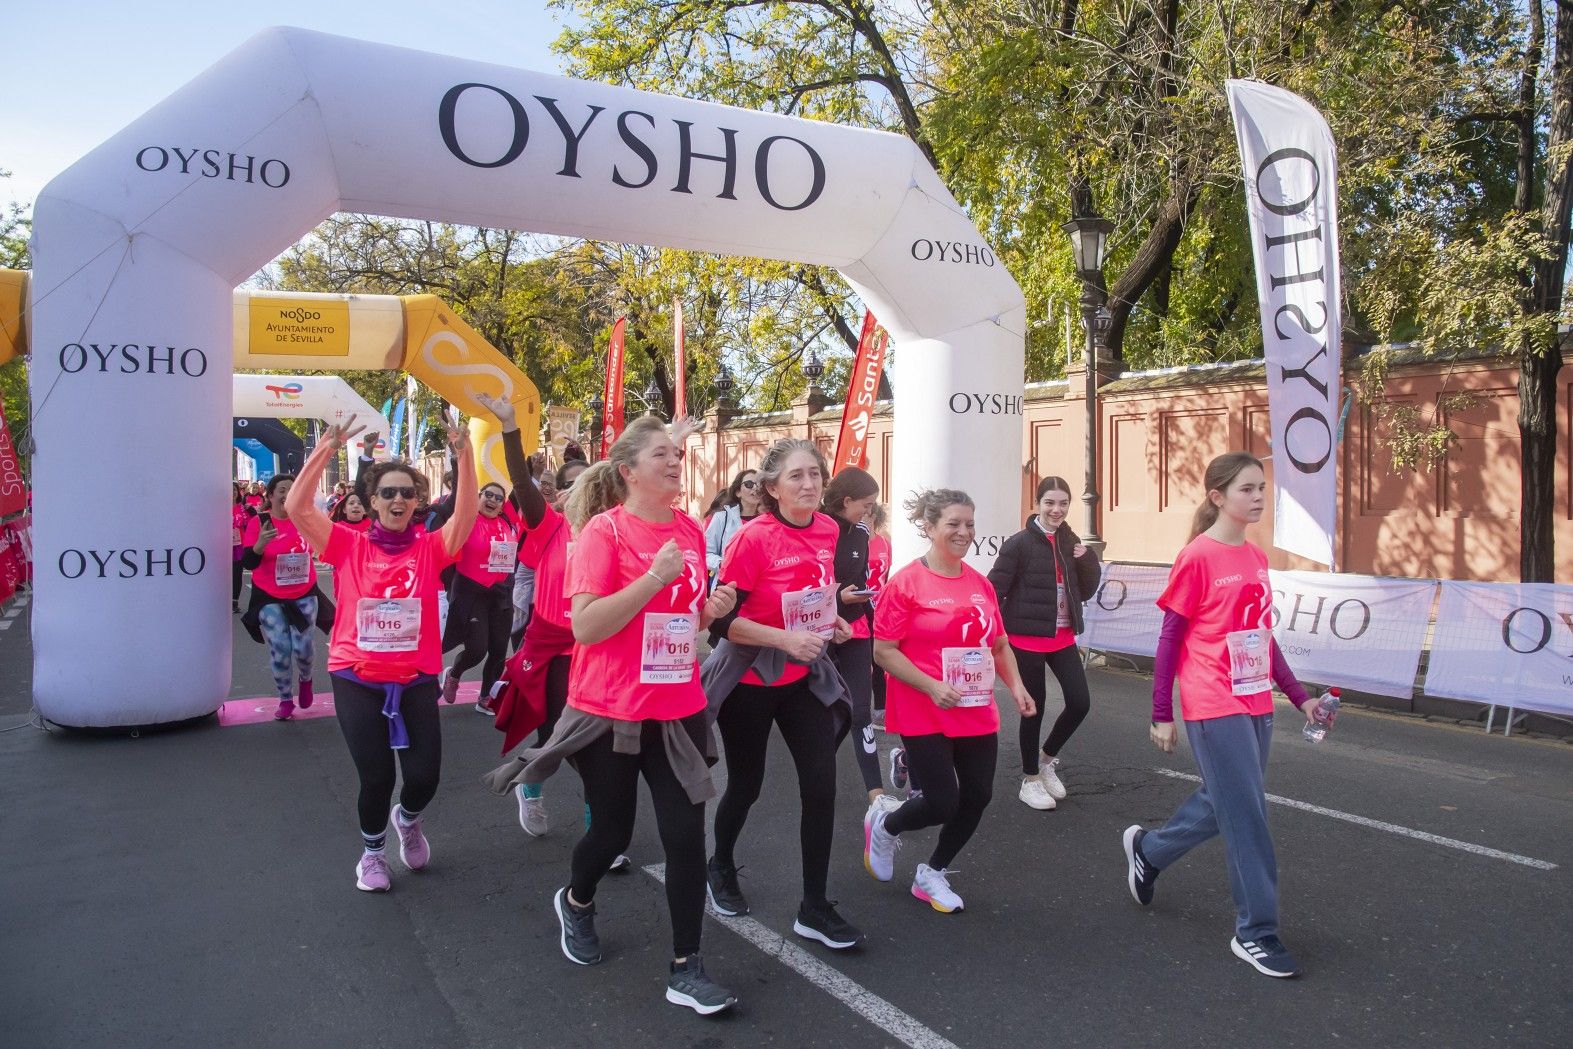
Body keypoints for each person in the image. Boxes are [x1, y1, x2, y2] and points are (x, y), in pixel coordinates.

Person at [483, 416, 740, 1015]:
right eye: (662, 455)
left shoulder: (690, 530)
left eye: (678, 455)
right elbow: (587, 626)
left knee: (683, 837)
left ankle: (687, 967)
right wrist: (654, 578)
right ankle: (575, 899)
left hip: (678, 711)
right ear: (627, 471)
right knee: (612, 832)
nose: (676, 463)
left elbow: (685, 619)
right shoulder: (604, 532)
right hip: (611, 711)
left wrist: (711, 608)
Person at [1122, 451, 1331, 979]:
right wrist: (1161, 713)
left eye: (1262, 488)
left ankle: (1150, 851)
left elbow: (1262, 637)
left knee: (1228, 803)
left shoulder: (1256, 557)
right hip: (1212, 702)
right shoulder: (1198, 556)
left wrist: (1299, 696)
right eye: (1247, 489)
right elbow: (1170, 638)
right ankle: (1256, 932)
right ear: (1218, 496)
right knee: (1248, 818)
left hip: (1256, 697)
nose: (1258, 497)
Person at [284, 412, 477, 894]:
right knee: (374, 776)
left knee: (424, 776)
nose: (397, 499)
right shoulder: (346, 545)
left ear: (418, 502)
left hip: (414, 677)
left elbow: (467, 514)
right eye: (388, 492)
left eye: (407, 493)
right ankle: (372, 854)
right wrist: (325, 448)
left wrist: (466, 454)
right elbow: (296, 507)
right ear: (372, 501)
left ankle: (408, 821)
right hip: (356, 675)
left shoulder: (432, 547)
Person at [701, 438, 863, 951]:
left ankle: (813, 907)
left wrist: (830, 619)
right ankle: (720, 863)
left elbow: (816, 592)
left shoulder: (829, 528)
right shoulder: (753, 538)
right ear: (772, 488)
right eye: (796, 476)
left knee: (822, 785)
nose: (810, 484)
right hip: (750, 677)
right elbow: (722, 623)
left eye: (815, 474)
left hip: (801, 674)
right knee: (746, 784)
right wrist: (782, 638)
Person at [863, 489, 1035, 913]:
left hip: (975, 707)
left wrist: (1016, 687)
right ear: (930, 527)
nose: (964, 532)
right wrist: (931, 685)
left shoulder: (979, 585)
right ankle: (887, 826)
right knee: (942, 801)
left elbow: (998, 644)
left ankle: (932, 873)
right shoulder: (906, 583)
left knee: (978, 795)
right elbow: (883, 651)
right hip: (924, 706)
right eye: (954, 524)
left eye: (970, 524)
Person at [987, 475, 1102, 810]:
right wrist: (995, 635)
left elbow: (1087, 590)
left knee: (1080, 702)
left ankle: (1046, 758)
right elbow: (995, 590)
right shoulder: (1019, 543)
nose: (1057, 510)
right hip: (1026, 640)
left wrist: (1087, 561)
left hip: (1062, 636)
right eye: (1050, 503)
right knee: (1032, 711)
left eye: (1063, 503)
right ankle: (1030, 780)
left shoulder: (1071, 542)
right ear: (1038, 504)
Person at [505, 453, 589, 835]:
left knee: (597, 740)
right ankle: (531, 786)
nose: (580, 490)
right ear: (559, 493)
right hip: (554, 647)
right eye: (570, 484)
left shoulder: (612, 528)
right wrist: (510, 429)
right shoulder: (549, 526)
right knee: (556, 731)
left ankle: (600, 827)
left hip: (597, 647)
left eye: (587, 481)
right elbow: (522, 487)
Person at [820, 467, 891, 812]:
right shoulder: (816, 529)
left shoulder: (862, 533)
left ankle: (876, 795)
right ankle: (815, 773)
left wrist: (867, 611)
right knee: (830, 712)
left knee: (860, 711)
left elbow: (859, 578)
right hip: (819, 633)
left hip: (857, 628)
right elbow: (802, 592)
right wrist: (837, 602)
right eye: (866, 504)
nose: (869, 511)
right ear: (846, 500)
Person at [241, 475, 324, 721]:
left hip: (304, 593)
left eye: (292, 489)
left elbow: (327, 543)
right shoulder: (260, 523)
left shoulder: (306, 520)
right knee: (280, 647)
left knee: (303, 648)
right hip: (269, 596)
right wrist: (259, 545)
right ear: (270, 495)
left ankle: (306, 679)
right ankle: (285, 698)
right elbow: (248, 562)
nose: (288, 494)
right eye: (282, 490)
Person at [703, 469, 762, 577]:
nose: (755, 488)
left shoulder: (766, 521)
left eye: (759, 485)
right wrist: (723, 564)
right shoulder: (722, 518)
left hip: (758, 584)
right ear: (738, 492)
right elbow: (706, 553)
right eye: (749, 484)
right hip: (729, 583)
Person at [866, 503, 892, 732]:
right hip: (856, 608)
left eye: (866, 512)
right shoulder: (849, 541)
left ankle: (881, 710)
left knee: (879, 659)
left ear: (874, 516)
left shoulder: (884, 542)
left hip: (880, 609)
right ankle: (854, 709)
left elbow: (886, 576)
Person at [231, 482, 253, 613]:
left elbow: (254, 522)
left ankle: (234, 601)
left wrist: (251, 510)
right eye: (230, 490)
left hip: (239, 545)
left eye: (234, 490)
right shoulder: (217, 507)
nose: (232, 492)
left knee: (236, 574)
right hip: (221, 546)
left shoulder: (243, 508)